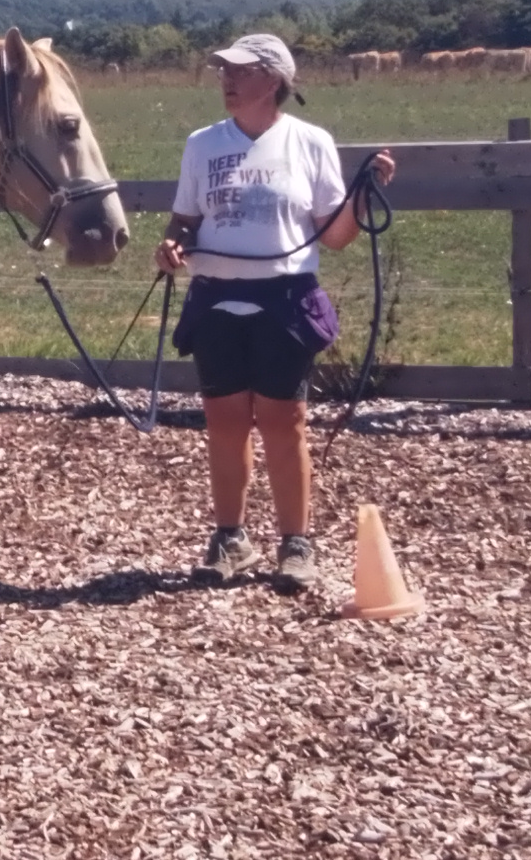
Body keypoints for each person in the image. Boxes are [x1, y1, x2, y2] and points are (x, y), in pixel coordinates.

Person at [157, 34, 393, 593]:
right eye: (223, 73)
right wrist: (170, 247)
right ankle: (230, 537)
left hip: (284, 302)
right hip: (216, 300)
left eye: (239, 72)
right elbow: (184, 221)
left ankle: (296, 543)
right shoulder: (202, 145)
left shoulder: (310, 143)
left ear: (274, 80)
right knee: (224, 423)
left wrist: (363, 196)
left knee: (285, 425)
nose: (227, 82)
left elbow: (334, 237)